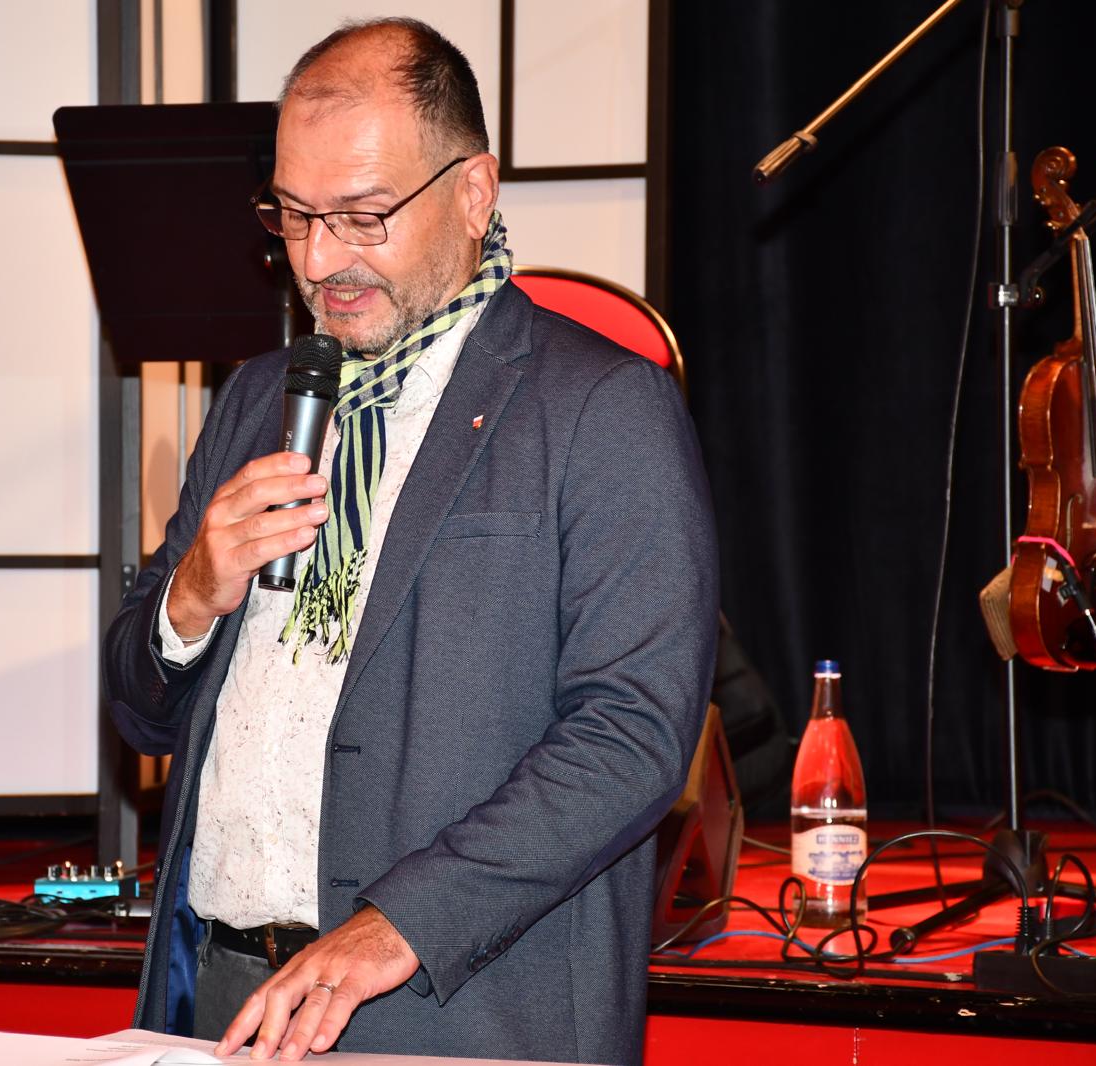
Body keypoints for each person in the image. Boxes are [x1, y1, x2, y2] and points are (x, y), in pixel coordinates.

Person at [104, 17, 717, 1064]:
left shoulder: (600, 407)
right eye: (293, 216)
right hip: (223, 992)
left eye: (362, 215)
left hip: (459, 1001)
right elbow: (138, 711)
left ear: (474, 192)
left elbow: (633, 735)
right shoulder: (258, 397)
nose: (318, 260)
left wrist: (400, 924)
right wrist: (191, 596)